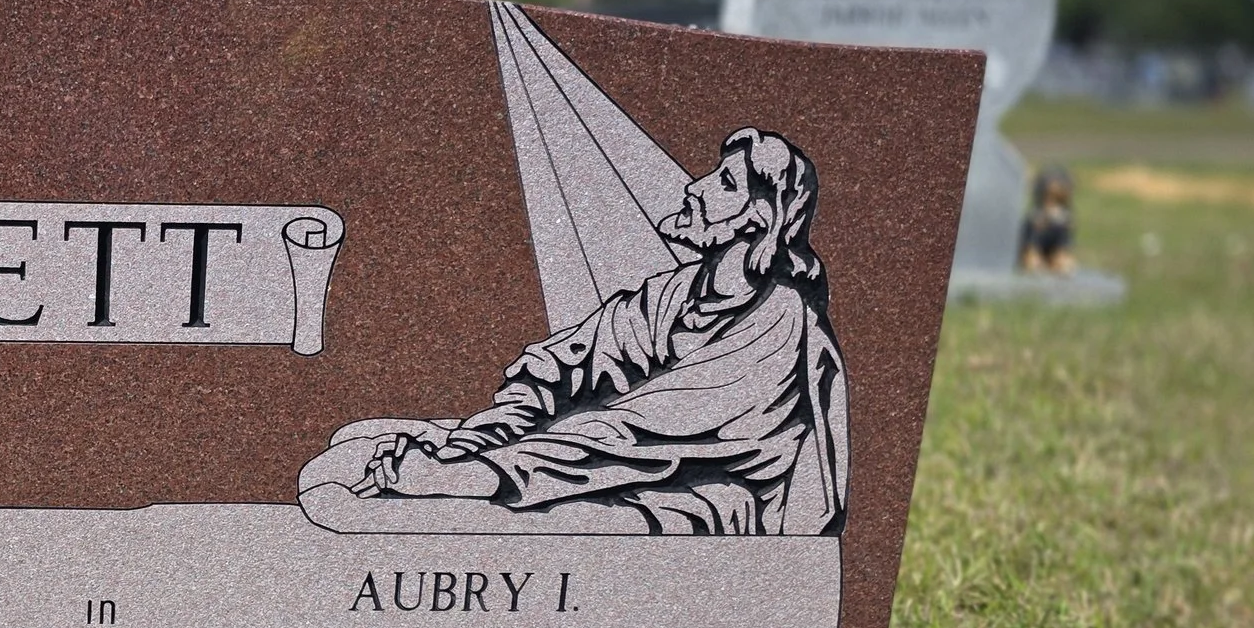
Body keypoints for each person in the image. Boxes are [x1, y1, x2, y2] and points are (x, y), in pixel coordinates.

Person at [301, 127, 849, 536]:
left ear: (758, 220)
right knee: (364, 440)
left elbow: (637, 434)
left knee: (525, 518)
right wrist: (472, 442)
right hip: (597, 457)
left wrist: (470, 478)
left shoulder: (779, 320)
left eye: (725, 183)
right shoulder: (673, 293)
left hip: (707, 498)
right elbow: (562, 366)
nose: (694, 187)